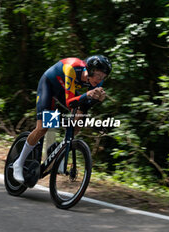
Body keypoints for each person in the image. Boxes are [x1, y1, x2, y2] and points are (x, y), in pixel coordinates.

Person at [13, 55, 112, 183]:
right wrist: (87, 95)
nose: (100, 80)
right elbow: (70, 102)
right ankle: (18, 163)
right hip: (49, 86)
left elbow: (84, 107)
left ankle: (58, 151)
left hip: (64, 90)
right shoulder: (73, 68)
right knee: (43, 127)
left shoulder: (97, 82)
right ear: (90, 70)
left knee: (79, 121)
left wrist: (95, 101)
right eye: (98, 75)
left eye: (103, 77)